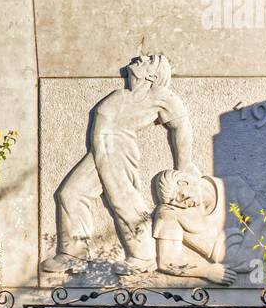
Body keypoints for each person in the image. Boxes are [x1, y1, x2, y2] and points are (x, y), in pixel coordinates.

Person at [41, 54, 195, 276]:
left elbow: (182, 127)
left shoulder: (161, 96)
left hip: (118, 149)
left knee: (124, 200)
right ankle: (74, 255)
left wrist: (183, 168)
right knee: (70, 194)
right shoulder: (122, 95)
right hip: (99, 150)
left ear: (152, 74)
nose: (141, 58)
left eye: (149, 59)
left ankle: (143, 256)